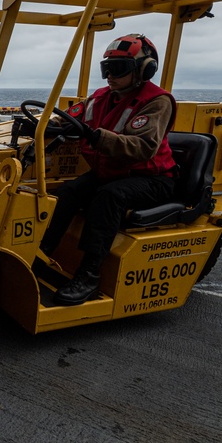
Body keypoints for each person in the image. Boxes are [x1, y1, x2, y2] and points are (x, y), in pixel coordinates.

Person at [39, 33, 177, 305]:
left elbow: (142, 147)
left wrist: (96, 136)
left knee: (109, 197)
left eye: (118, 69)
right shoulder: (101, 97)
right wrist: (46, 125)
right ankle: (40, 253)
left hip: (152, 178)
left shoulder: (157, 101)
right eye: (107, 69)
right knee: (68, 192)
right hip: (112, 172)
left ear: (143, 70)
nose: (109, 76)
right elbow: (72, 117)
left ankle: (89, 276)